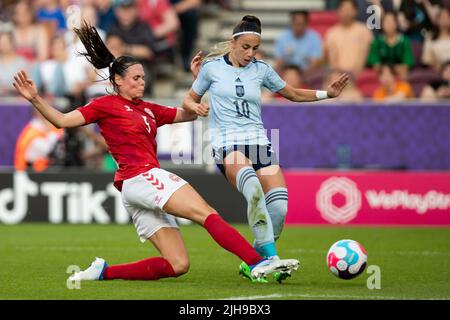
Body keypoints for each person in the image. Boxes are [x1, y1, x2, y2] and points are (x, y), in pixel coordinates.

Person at [12, 22, 299, 283]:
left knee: (178, 264)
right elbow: (62, 121)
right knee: (207, 213)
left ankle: (102, 272)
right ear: (118, 81)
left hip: (135, 189)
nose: (141, 82)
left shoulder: (149, 109)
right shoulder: (105, 106)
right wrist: (36, 98)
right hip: (142, 177)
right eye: (135, 78)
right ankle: (258, 262)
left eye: (143, 77)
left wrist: (200, 81)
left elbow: (188, 113)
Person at [183, 15, 348, 283]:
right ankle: (269, 259)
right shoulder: (211, 69)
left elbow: (292, 93)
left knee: (280, 208)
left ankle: (253, 262)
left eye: (255, 48)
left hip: (259, 142)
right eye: (246, 47)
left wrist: (326, 94)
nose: (250, 53)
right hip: (227, 144)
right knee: (254, 190)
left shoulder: (261, 69)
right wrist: (197, 107)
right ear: (234, 43)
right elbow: (189, 100)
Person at [321, 0, 374, 77]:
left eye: (350, 9)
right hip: (336, 76)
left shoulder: (364, 31)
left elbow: (369, 54)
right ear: (338, 11)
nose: (347, 12)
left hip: (359, 76)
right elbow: (328, 58)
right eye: (344, 9)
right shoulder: (331, 33)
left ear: (356, 11)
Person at [367, 11, 415, 80]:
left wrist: (393, 69)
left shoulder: (404, 41)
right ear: (382, 24)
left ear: (396, 24)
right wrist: (386, 71)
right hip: (382, 76)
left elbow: (407, 65)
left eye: (391, 22)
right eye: (386, 22)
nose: (389, 25)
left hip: (401, 75)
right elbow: (375, 65)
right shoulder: (377, 41)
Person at [274, 10, 322, 76]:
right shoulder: (282, 37)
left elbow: (315, 63)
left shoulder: (314, 38)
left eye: (302, 24)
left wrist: (301, 76)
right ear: (291, 23)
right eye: (297, 24)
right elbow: (279, 62)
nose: (299, 27)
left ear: (307, 24)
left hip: (308, 74)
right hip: (287, 73)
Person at [422, 7, 450, 73]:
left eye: (447, 17)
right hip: (441, 69)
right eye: (442, 17)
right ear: (437, 19)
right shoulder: (430, 37)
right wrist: (439, 67)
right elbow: (427, 60)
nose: (444, 20)